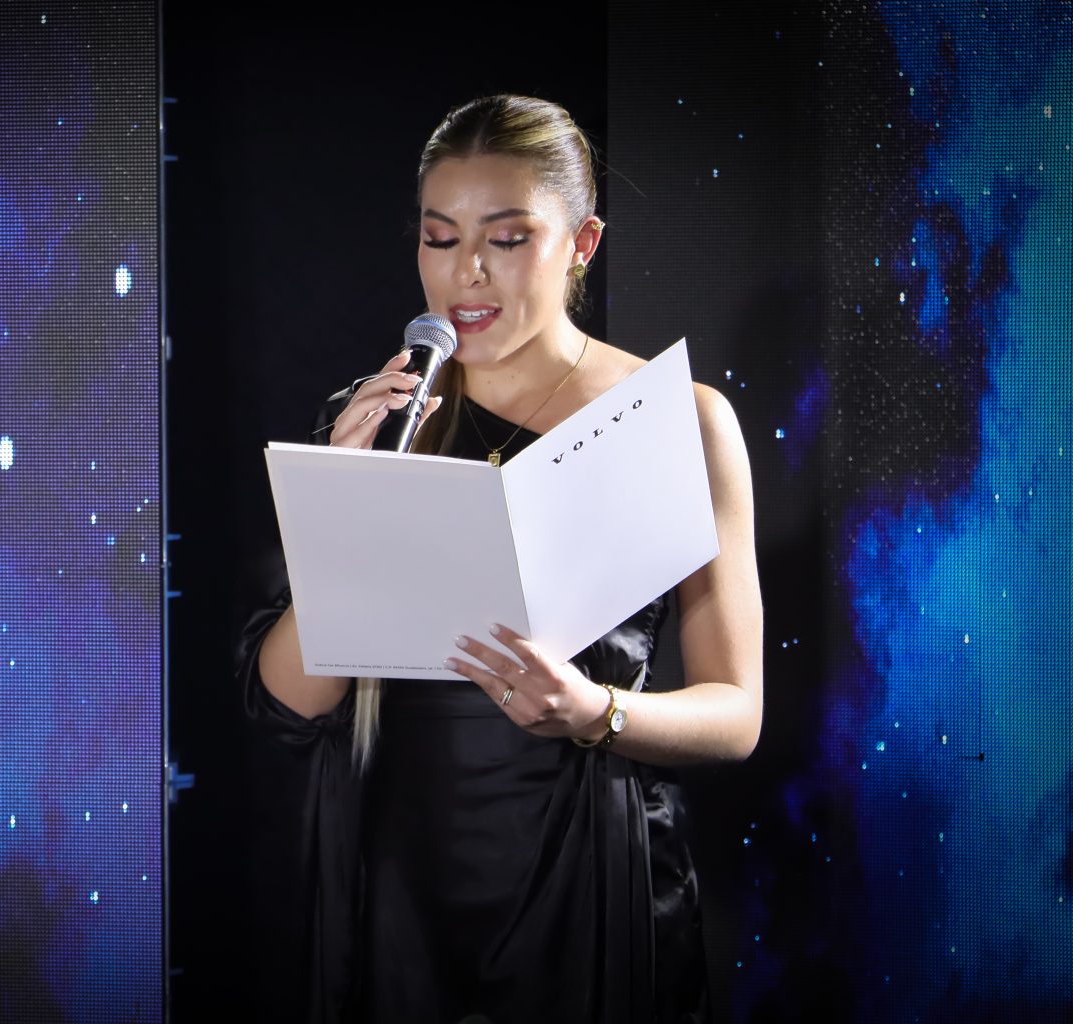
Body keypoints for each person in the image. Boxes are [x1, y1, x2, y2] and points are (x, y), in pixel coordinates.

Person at [236, 94, 763, 1024]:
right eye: (439, 238)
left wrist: (594, 711)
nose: (465, 273)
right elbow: (286, 704)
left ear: (583, 243)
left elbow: (737, 715)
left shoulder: (678, 421)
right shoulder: (379, 420)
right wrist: (349, 504)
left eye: (508, 239)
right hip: (402, 881)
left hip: (592, 872)